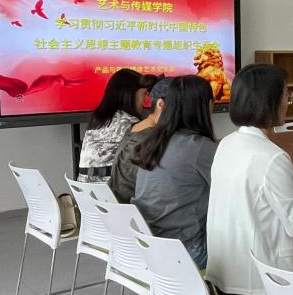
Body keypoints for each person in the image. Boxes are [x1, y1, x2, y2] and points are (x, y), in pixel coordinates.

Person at [205, 64, 293, 295]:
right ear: (269, 101)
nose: (287, 103)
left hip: (223, 281)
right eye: (286, 96)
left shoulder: (227, 143)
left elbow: (254, 202)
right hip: (261, 287)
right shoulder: (273, 156)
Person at [132, 76, 218, 268]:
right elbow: (232, 192)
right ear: (207, 106)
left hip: (149, 244)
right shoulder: (200, 147)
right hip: (187, 250)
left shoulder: (153, 141)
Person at [77, 69, 155, 182]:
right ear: (131, 94)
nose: (145, 100)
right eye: (144, 94)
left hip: (85, 187)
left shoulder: (97, 120)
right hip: (110, 188)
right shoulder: (129, 122)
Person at [109, 75, 170, 203]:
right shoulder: (150, 136)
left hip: (119, 204)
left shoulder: (136, 127)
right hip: (134, 208)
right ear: (160, 104)